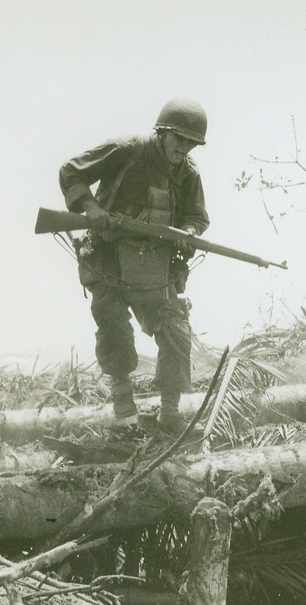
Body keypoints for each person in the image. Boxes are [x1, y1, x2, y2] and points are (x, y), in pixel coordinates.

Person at [59, 98, 211, 433]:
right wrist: (89, 207)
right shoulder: (126, 150)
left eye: (191, 143)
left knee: (174, 329)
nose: (184, 148)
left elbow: (197, 217)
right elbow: (71, 171)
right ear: (162, 132)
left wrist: (188, 232)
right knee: (112, 323)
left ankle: (170, 410)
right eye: (179, 139)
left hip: (155, 266)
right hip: (108, 259)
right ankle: (123, 402)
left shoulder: (188, 174)